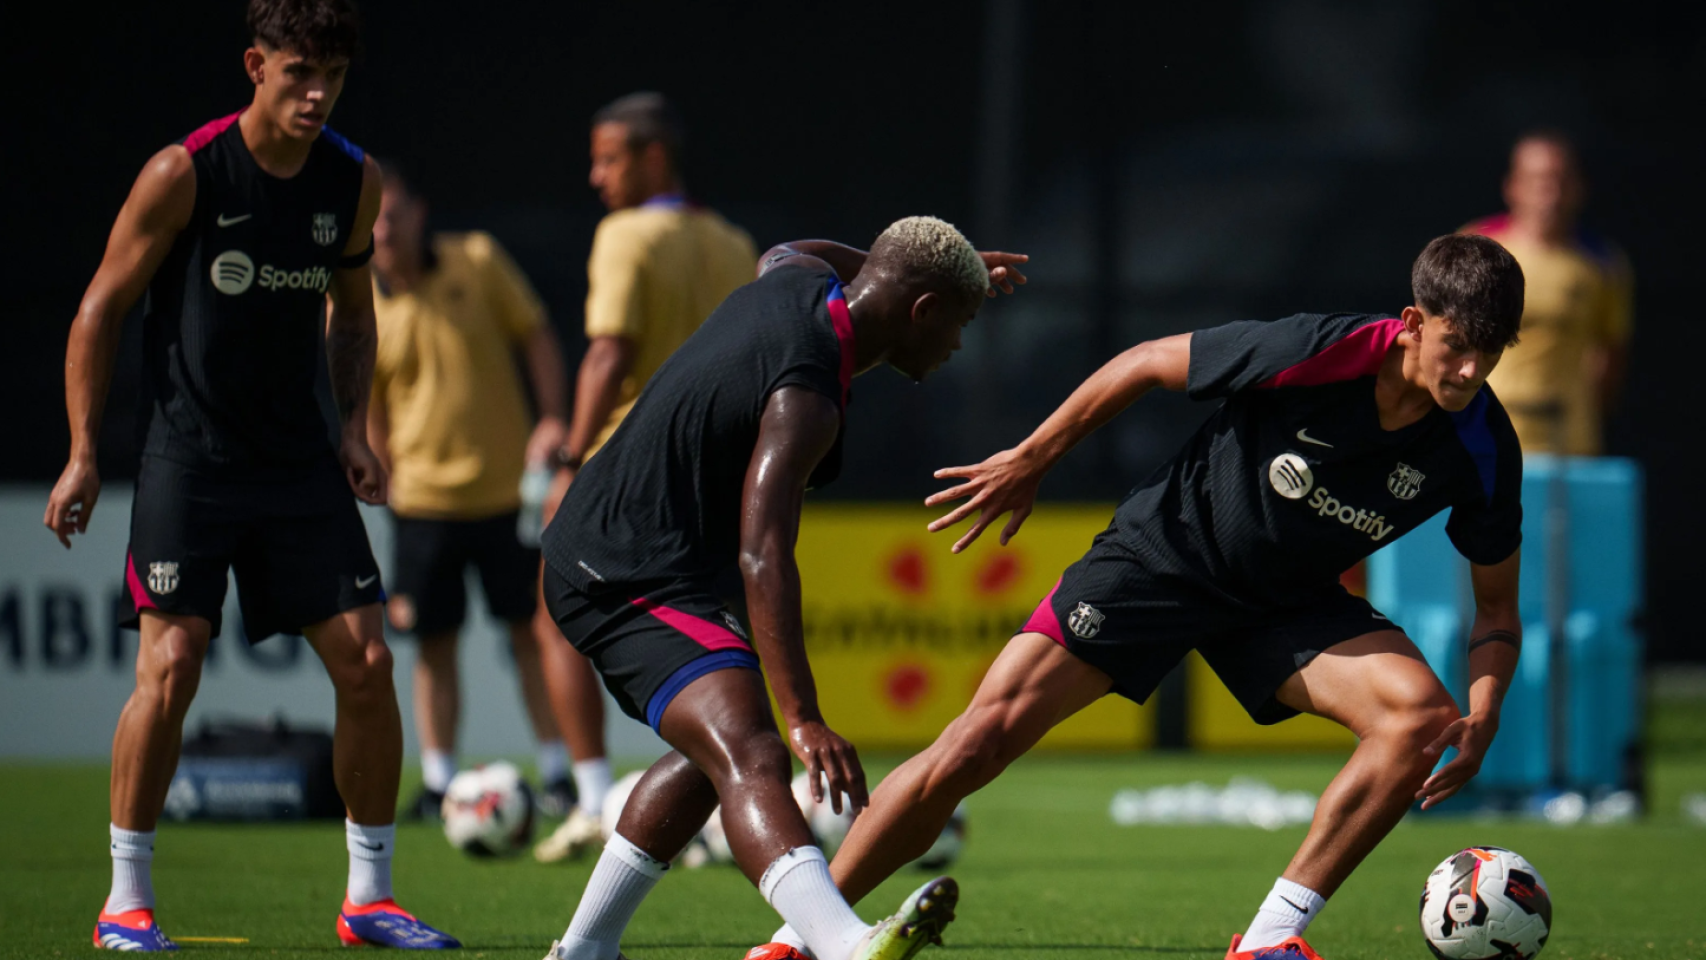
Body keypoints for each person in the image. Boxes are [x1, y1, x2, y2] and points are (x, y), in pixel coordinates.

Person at [753, 234, 1526, 960]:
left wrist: (1486, 710)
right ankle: (797, 941)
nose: (1468, 371)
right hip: (1165, 557)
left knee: (1419, 720)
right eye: (1456, 345)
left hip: (1286, 604)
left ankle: (1268, 941)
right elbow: (1148, 361)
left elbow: (1495, 607)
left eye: (1488, 354)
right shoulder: (1322, 350)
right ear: (1413, 323)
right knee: (976, 745)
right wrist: (1032, 458)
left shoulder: (1484, 445)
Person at [42, 0, 456, 950]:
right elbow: (98, 309)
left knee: (370, 663)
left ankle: (369, 899)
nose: (317, 96)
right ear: (255, 66)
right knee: (172, 664)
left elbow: (354, 313)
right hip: (188, 460)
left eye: (333, 78)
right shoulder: (184, 172)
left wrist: (354, 430)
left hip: (298, 463)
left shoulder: (354, 180)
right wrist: (82, 453)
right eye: (299, 73)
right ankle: (126, 901)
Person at [536, 218, 1028, 960]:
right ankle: (843, 945)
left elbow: (798, 247)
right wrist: (804, 720)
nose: (958, 343)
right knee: (755, 750)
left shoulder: (795, 278)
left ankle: (583, 950)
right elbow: (763, 555)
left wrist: (934, 266)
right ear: (921, 311)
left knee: (715, 758)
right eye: (958, 321)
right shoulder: (807, 396)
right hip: (621, 570)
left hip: (632, 555)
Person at [533, 91, 759, 863]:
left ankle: (596, 799)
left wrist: (569, 461)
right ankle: (724, 793)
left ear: (653, 157)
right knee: (713, 629)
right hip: (715, 469)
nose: (596, 177)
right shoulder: (733, 242)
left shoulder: (625, 234)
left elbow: (609, 352)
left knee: (556, 613)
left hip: (626, 473)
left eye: (608, 159)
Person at [366, 160, 580, 819]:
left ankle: (559, 775)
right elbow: (366, 403)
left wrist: (553, 417)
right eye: (369, 218)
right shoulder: (356, 303)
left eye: (391, 213)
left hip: (508, 494)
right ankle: (438, 782)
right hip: (421, 505)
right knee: (433, 646)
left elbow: (536, 334)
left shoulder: (479, 260)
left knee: (533, 634)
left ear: (419, 212)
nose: (382, 229)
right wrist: (379, 470)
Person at [1463, 131, 1633, 456]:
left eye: (1561, 180)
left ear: (1579, 188)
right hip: (1483, 434)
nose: (1550, 193)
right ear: (1512, 186)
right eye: (1538, 180)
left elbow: (1610, 356)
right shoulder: (1474, 248)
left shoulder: (1604, 263)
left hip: (1568, 442)